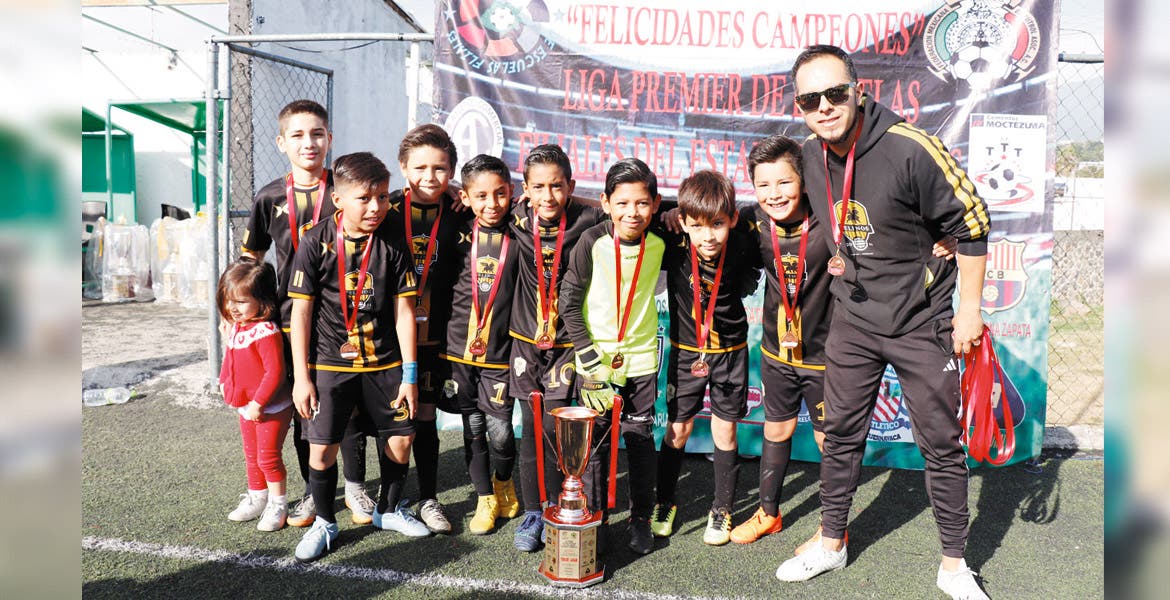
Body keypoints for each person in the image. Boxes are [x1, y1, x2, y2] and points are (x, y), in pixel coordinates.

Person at [773, 45, 991, 600]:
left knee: (940, 443)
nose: (824, 106)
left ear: (859, 91)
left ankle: (954, 565)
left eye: (834, 93)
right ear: (799, 107)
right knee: (840, 434)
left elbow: (972, 221)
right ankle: (831, 542)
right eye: (810, 99)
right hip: (853, 318)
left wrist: (968, 309)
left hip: (920, 320)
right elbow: (778, 210)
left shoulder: (909, 148)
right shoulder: (808, 155)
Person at [287, 152, 430, 563]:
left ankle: (389, 510)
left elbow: (405, 313)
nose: (376, 207)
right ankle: (325, 523)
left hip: (384, 362)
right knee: (321, 450)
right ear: (338, 199)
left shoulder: (394, 242)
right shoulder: (315, 241)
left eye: (383, 197)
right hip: (330, 364)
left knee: (401, 439)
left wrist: (410, 375)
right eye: (365, 198)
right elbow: (301, 313)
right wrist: (302, 377)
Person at [239, 100, 372, 528]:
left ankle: (356, 487)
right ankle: (314, 492)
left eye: (316, 134)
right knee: (305, 405)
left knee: (348, 406)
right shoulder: (269, 197)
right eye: (297, 135)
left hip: (343, 319)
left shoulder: (346, 189)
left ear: (329, 139)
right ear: (282, 143)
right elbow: (251, 258)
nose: (308, 143)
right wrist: (244, 310)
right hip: (288, 320)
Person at [560, 157, 666, 555]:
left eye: (642, 203)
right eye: (621, 203)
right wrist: (589, 361)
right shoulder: (592, 241)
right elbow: (568, 303)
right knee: (597, 445)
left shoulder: (662, 239)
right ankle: (597, 519)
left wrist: (674, 215)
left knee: (639, 440)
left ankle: (640, 519)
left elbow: (692, 212)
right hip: (596, 361)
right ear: (605, 203)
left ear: (655, 204)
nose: (632, 212)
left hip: (641, 358)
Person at [649, 170, 759, 546]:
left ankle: (722, 509)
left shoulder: (744, 241)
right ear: (683, 222)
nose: (708, 236)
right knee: (677, 429)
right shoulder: (673, 236)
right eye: (697, 226)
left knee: (724, 431)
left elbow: (774, 219)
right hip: (686, 352)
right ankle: (664, 502)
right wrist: (668, 212)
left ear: (732, 219)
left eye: (717, 224)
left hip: (730, 352)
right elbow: (630, 210)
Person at [506, 144, 607, 552]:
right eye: (538, 187)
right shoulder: (513, 216)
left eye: (557, 186)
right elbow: (471, 200)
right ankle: (534, 511)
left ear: (571, 186)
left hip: (566, 344)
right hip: (524, 341)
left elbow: (634, 209)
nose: (547, 196)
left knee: (554, 429)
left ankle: (557, 505)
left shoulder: (589, 218)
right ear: (525, 189)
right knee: (529, 428)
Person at [432, 154, 522, 535]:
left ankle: (504, 480)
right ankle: (485, 497)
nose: (492, 203)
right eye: (481, 196)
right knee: (472, 424)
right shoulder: (455, 228)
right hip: (458, 350)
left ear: (512, 192)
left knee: (500, 430)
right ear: (465, 198)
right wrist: (449, 193)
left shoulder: (522, 229)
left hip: (501, 352)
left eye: (500, 193)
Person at [386, 124, 469, 534]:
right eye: (420, 167)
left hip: (437, 336)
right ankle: (386, 499)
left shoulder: (461, 210)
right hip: (392, 336)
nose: (430, 176)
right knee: (394, 418)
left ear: (451, 171)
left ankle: (429, 498)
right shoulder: (385, 210)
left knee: (426, 416)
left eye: (439, 168)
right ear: (403, 167)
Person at [217, 258, 294, 532]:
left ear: (262, 301)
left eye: (240, 302)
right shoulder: (238, 326)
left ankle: (278, 503)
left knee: (268, 457)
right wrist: (224, 382)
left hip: (270, 407)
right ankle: (257, 497)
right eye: (228, 300)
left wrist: (259, 403)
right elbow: (231, 360)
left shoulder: (265, 331)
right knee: (251, 456)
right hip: (247, 406)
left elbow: (275, 372)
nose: (232, 308)